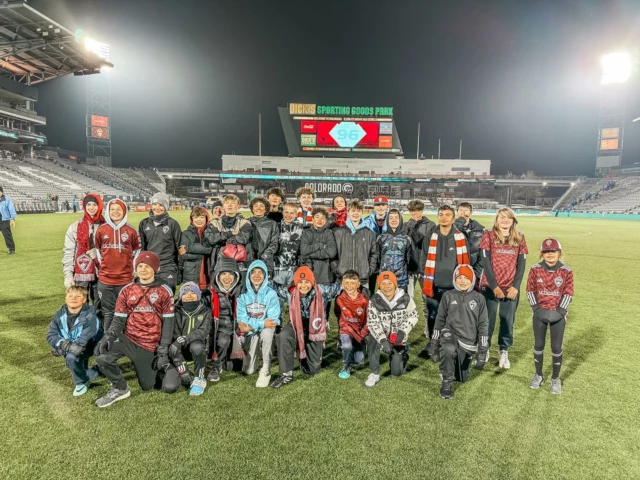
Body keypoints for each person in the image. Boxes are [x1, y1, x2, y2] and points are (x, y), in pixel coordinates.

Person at [94, 251, 179, 407]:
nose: (143, 269)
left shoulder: (165, 291)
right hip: (129, 338)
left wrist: (163, 348)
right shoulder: (126, 290)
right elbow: (119, 319)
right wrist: (109, 335)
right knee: (102, 356)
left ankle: (164, 366)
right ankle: (120, 388)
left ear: (155, 269)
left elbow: (168, 323)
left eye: (147, 266)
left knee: (148, 385)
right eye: (140, 265)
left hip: (149, 344)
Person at [271, 266, 342, 388]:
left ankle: (304, 356)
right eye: (300, 282)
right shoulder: (289, 291)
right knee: (283, 335)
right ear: (296, 282)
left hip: (314, 327)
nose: (304, 285)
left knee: (312, 370)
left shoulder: (322, 290)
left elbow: (340, 287)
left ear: (312, 281)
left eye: (307, 282)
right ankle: (286, 373)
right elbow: (272, 287)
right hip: (296, 325)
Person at [426, 265, 489, 400]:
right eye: (459, 278)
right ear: (455, 279)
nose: (462, 281)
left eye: (466, 278)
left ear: (472, 279)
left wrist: (482, 351)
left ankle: (457, 365)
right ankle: (446, 382)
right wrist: (434, 343)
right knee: (448, 348)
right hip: (450, 332)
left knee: (462, 378)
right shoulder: (448, 296)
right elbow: (440, 319)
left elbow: (484, 324)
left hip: (468, 341)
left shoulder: (479, 298)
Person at [479, 208, 528, 369]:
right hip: (490, 287)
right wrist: (494, 286)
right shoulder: (488, 235)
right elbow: (485, 263)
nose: (505, 220)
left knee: (507, 320)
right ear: (497, 220)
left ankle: (503, 351)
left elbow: (521, 264)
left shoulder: (520, 237)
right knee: (488, 320)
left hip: (511, 288)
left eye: (508, 218)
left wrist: (516, 286)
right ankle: (484, 348)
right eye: (501, 217)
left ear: (513, 220)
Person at [526, 238, 574, 394]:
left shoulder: (566, 271)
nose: (550, 255)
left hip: (558, 315)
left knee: (556, 346)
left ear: (559, 253)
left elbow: (568, 292)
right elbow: (530, 290)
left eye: (553, 251)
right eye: (546, 252)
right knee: (538, 344)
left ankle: (555, 378)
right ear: (542, 254)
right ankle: (538, 375)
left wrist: (560, 311)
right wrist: (536, 309)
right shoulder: (535, 269)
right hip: (539, 313)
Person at [421, 205, 470, 354]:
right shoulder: (430, 236)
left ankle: (451, 344)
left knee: (453, 317)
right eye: (441, 214)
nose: (443, 217)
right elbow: (423, 259)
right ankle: (432, 343)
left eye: (447, 215)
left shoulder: (460, 237)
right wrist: (427, 280)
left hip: (453, 286)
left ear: (453, 218)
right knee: (432, 315)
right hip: (433, 285)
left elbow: (465, 264)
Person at [365, 271, 419, 387]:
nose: (387, 287)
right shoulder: (374, 300)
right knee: (372, 340)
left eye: (390, 283)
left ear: (395, 284)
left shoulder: (406, 299)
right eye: (383, 284)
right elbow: (372, 322)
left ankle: (403, 355)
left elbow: (414, 315)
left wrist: (403, 331)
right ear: (379, 286)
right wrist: (383, 340)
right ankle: (374, 372)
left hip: (398, 337)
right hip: (382, 336)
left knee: (396, 372)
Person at [46, 286, 102, 397]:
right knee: (72, 356)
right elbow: (51, 335)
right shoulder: (59, 315)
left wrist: (64, 347)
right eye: (70, 296)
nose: (73, 298)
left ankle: (81, 382)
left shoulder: (90, 315)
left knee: (71, 357)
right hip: (75, 345)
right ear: (66, 299)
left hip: (94, 344)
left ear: (84, 299)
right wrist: (61, 344)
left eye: (78, 296)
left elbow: (83, 341)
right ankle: (93, 371)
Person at [94, 199, 141, 331]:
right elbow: (98, 252)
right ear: (108, 211)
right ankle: (108, 343)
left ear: (124, 211)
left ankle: (124, 341)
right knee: (108, 312)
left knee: (125, 311)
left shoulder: (131, 230)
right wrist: (105, 267)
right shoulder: (101, 230)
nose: (115, 212)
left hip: (125, 280)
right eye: (112, 209)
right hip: (105, 280)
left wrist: (133, 268)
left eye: (119, 209)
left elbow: (137, 251)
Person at [236, 260, 281, 388]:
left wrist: (253, 325)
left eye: (260, 272)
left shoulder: (271, 294)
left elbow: (272, 321)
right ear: (249, 275)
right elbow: (241, 321)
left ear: (265, 275)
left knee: (267, 332)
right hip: (251, 332)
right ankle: (254, 356)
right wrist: (260, 324)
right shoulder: (242, 294)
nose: (257, 275)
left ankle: (265, 369)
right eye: (253, 272)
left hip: (262, 329)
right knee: (248, 370)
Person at [170, 282, 212, 396]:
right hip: (179, 350)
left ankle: (200, 378)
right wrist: (183, 371)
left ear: (198, 295)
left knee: (197, 346)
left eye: (193, 292)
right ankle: (183, 371)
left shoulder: (206, 310)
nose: (189, 295)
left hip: (196, 348)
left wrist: (185, 339)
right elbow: (174, 334)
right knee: (172, 345)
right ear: (180, 297)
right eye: (185, 293)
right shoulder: (175, 310)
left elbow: (203, 332)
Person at [62, 193, 105, 306]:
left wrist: (99, 253)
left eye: (95, 204)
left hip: (102, 271)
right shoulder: (74, 227)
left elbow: (112, 250)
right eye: (88, 204)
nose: (91, 207)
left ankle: (98, 323)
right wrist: (68, 275)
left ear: (100, 206)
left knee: (100, 305)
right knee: (80, 304)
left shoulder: (107, 226)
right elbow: (69, 252)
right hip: (80, 271)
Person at [207, 257, 244, 383]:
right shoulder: (211, 292)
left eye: (230, 274)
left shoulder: (241, 291)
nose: (227, 278)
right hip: (221, 327)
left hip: (238, 327)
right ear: (217, 275)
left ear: (236, 276)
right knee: (223, 340)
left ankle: (231, 359)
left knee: (236, 367)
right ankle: (216, 366)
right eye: (223, 274)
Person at [139, 192, 182, 291]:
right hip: (150, 266)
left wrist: (179, 270)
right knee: (150, 300)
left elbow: (180, 248)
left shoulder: (173, 224)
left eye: (161, 205)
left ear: (166, 207)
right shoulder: (144, 223)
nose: (157, 207)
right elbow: (142, 248)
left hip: (168, 267)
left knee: (167, 299)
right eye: (154, 204)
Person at [333, 199, 378, 293]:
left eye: (358, 210)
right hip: (343, 278)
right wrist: (337, 269)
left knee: (361, 306)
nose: (356, 213)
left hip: (362, 279)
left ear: (362, 212)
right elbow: (333, 254)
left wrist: (368, 270)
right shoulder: (338, 232)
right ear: (348, 212)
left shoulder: (370, 233)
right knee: (342, 306)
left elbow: (374, 254)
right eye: (353, 210)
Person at [204, 194, 252, 276]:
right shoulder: (214, 223)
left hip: (240, 263)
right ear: (223, 206)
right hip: (218, 262)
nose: (229, 205)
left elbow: (243, 238)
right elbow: (211, 239)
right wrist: (230, 234)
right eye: (227, 203)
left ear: (238, 206)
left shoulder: (245, 223)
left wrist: (222, 240)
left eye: (233, 203)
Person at [336, 270, 369, 379]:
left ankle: (361, 344)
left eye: (352, 283)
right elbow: (337, 313)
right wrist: (342, 326)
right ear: (342, 284)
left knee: (359, 360)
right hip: (346, 328)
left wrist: (362, 334)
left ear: (358, 284)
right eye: (347, 283)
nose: (349, 286)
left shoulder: (364, 300)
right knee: (346, 346)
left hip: (359, 331)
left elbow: (369, 319)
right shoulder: (339, 299)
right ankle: (346, 365)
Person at [402, 199, 435, 298]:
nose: (415, 213)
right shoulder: (406, 225)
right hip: (410, 266)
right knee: (408, 296)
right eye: (412, 211)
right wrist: (411, 224)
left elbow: (432, 245)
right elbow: (403, 241)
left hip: (425, 266)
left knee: (427, 297)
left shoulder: (431, 225)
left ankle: (428, 314)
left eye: (417, 210)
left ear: (422, 210)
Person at [299, 207, 337, 286]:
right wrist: (320, 246)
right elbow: (303, 250)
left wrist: (310, 254)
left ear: (326, 220)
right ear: (312, 219)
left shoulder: (329, 232)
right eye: (317, 217)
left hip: (325, 274)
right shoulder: (306, 232)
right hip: (309, 273)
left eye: (323, 218)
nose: (320, 220)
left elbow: (331, 252)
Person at [179, 206, 213, 290]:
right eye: (196, 217)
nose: (199, 220)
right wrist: (204, 254)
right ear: (192, 219)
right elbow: (184, 255)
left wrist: (188, 248)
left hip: (209, 272)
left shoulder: (212, 232)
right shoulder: (186, 234)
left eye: (201, 217)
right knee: (192, 299)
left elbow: (210, 248)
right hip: (191, 274)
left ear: (206, 218)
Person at [377, 209, 412, 289]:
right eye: (391, 218)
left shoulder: (406, 239)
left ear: (400, 220)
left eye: (396, 217)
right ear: (387, 220)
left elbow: (408, 259)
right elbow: (378, 258)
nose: (394, 220)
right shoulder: (381, 238)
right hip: (384, 279)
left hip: (401, 280)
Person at [362, 195, 389, 292]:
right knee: (370, 288)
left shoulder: (393, 220)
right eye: (378, 205)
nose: (380, 207)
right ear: (374, 207)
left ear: (387, 206)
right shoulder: (366, 221)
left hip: (387, 261)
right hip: (371, 260)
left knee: (386, 288)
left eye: (383, 205)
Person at [273, 202, 303, 288]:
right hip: (278, 268)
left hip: (294, 268)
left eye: (291, 213)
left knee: (293, 296)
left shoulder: (300, 228)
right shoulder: (276, 227)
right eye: (286, 212)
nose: (288, 215)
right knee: (278, 297)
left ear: (296, 214)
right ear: (282, 212)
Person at [249, 196, 279, 276]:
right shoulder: (246, 222)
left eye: (261, 206)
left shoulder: (272, 224)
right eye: (256, 206)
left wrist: (264, 257)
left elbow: (274, 243)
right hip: (249, 262)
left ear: (266, 209)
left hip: (266, 262)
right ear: (252, 209)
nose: (258, 208)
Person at [454, 202, 485, 281]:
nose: (463, 212)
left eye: (466, 210)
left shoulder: (480, 230)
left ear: (471, 213)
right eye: (460, 210)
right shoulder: (450, 229)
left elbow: (483, 254)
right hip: (454, 272)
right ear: (457, 212)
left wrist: (476, 274)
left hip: (474, 272)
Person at [0, 185, 16, 254]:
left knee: (7, 235)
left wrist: (12, 218)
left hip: (4, 220)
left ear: (2, 192)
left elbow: (11, 209)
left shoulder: (7, 199)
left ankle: (11, 249)